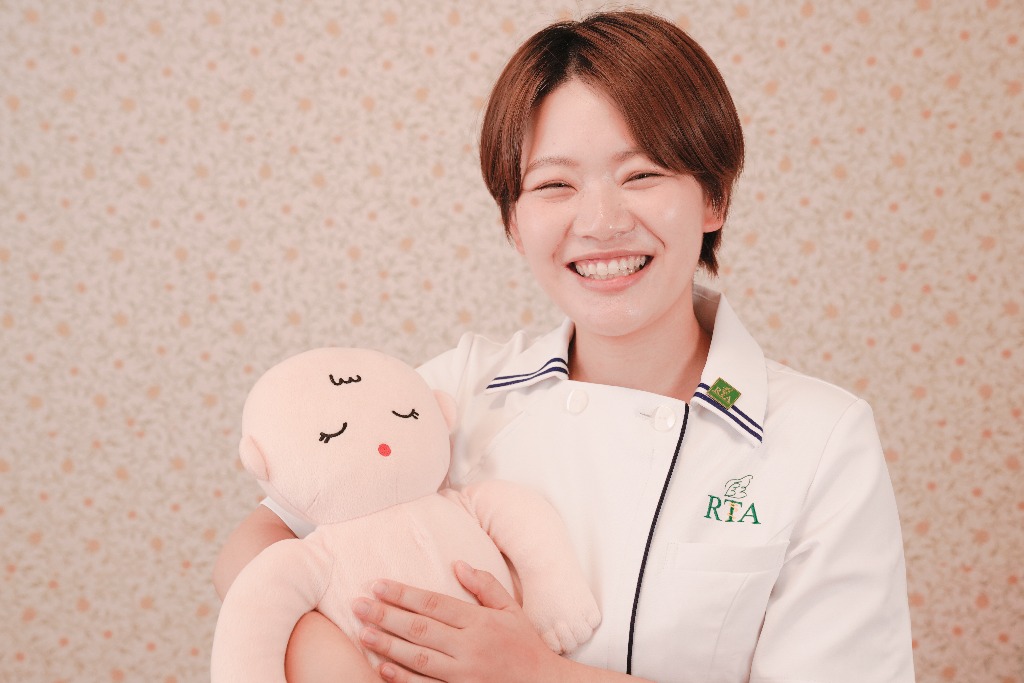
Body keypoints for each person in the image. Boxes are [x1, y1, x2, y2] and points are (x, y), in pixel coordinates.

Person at [213, 10, 915, 682]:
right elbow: (262, 542)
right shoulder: (450, 392)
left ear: (714, 198)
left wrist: (538, 674)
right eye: (554, 184)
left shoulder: (821, 440)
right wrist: (327, 655)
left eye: (642, 175)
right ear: (513, 222)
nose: (602, 222)